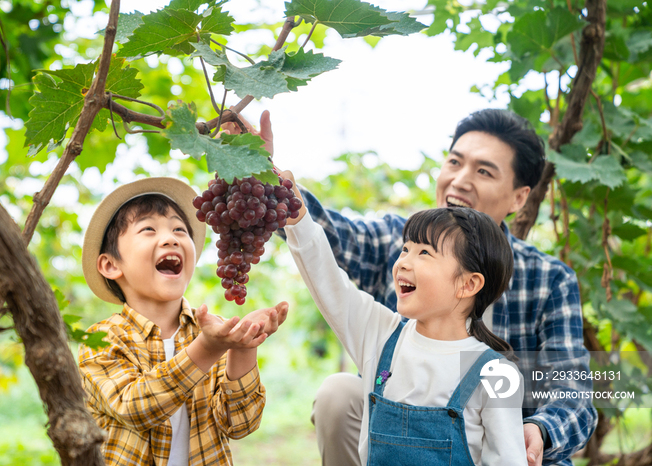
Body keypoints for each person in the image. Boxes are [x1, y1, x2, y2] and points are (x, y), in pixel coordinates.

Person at [226, 108, 597, 466]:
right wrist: (276, 189)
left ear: (519, 196)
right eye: (454, 162)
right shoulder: (382, 333)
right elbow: (326, 260)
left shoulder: (540, 295)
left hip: (523, 444)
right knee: (338, 392)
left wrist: (539, 430)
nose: (403, 261)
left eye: (484, 170)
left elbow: (570, 396)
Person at [284, 201, 528, 465]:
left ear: (468, 284)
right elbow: (327, 280)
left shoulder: (497, 375)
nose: (403, 263)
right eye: (405, 249)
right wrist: (292, 206)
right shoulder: (381, 335)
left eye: (424, 252)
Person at [78, 177, 288, 466]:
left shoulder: (212, 333)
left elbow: (241, 423)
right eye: (148, 230)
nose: (170, 238)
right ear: (111, 265)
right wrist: (207, 350)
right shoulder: (100, 341)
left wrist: (243, 346)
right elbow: (134, 408)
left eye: (179, 229)